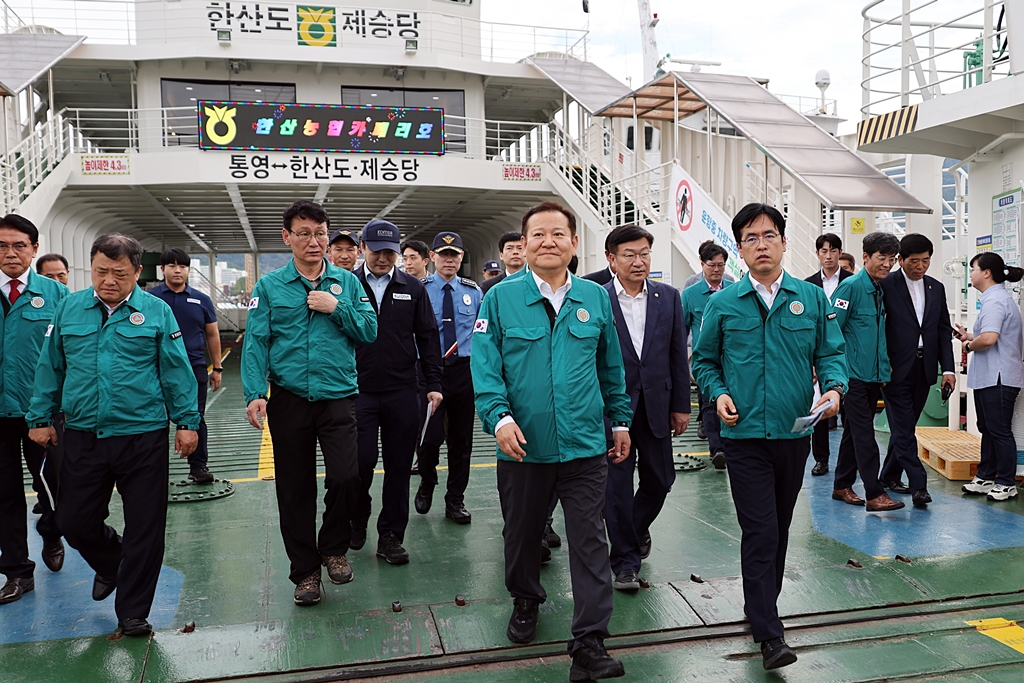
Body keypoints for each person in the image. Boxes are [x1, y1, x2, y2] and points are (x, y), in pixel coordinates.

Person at [472, 200, 631, 681]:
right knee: (521, 535)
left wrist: (620, 421)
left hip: (584, 446)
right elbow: (486, 366)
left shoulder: (596, 298)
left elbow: (611, 366)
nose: (548, 242)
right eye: (537, 235)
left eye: (558, 234)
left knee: (589, 542)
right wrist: (498, 419)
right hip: (524, 447)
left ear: (574, 243)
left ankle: (590, 639)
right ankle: (526, 597)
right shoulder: (500, 298)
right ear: (524, 244)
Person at [692, 203, 846, 671]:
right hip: (743, 437)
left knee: (778, 528)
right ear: (740, 248)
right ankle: (769, 632)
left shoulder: (810, 298)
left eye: (769, 235)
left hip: (794, 432)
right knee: (760, 530)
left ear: (783, 241)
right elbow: (705, 361)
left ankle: (760, 605)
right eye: (751, 238)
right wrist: (716, 394)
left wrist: (836, 388)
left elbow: (831, 352)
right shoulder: (722, 303)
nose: (761, 244)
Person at [26, 233, 199, 636]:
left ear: (137, 272)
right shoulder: (70, 309)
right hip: (84, 433)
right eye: (101, 271)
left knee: (146, 525)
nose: (108, 280)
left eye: (119, 273)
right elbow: (50, 367)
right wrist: (39, 417)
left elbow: (175, 370)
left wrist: (188, 422)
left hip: (143, 435)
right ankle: (111, 563)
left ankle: (133, 613)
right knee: (72, 519)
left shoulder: (156, 312)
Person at [242, 200, 377, 606]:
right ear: (287, 238)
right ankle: (305, 573)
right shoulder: (269, 287)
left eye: (320, 234)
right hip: (290, 399)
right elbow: (257, 343)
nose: (314, 241)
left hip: (338, 396)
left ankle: (333, 548)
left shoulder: (348, 284)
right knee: (294, 489)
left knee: (346, 476)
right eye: (304, 234)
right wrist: (254, 393)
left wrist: (337, 308)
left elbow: (369, 330)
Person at [602, 224, 689, 591]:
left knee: (661, 479)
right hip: (612, 409)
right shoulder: (596, 298)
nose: (639, 262)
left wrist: (681, 405)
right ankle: (625, 562)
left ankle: (634, 530)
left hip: (657, 403)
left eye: (644, 254)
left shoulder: (667, 297)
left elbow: (676, 354)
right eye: (629, 255)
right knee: (616, 488)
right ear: (611, 259)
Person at [351, 219, 443, 565]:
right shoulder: (346, 285)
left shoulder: (412, 288)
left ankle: (390, 535)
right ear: (363, 249)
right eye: (377, 251)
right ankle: (357, 515)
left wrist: (433, 384)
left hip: (403, 389)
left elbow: (428, 337)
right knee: (359, 462)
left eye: (390, 252)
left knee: (399, 466)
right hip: (357, 390)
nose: (383, 258)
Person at [0, 215, 68, 605]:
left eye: (19, 245)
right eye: (3, 246)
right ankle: (17, 571)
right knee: (3, 494)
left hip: (40, 414)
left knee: (53, 486)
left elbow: (68, 355)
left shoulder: (56, 296)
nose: (10, 253)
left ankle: (52, 531)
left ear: (34, 248)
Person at [878, 234, 956, 508]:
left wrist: (948, 369)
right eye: (914, 261)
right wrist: (881, 361)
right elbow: (877, 329)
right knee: (903, 429)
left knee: (905, 426)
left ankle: (888, 475)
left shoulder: (937, 288)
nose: (920, 266)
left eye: (925, 261)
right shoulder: (886, 285)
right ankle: (918, 484)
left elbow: (943, 330)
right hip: (894, 369)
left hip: (925, 368)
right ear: (900, 260)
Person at [831, 231, 904, 512]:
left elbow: (878, 335)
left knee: (853, 432)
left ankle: (841, 485)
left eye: (891, 259)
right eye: (881, 258)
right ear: (865, 257)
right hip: (852, 376)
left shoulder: (880, 289)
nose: (887, 264)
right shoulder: (850, 288)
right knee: (864, 434)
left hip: (873, 375)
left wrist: (884, 367)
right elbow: (831, 330)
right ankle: (875, 493)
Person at [415, 231, 481, 524]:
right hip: (429, 371)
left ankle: (455, 500)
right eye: (443, 255)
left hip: (463, 371)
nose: (449, 260)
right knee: (428, 439)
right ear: (432, 258)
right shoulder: (419, 289)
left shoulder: (473, 291)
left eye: (454, 255)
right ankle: (427, 481)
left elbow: (481, 334)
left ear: (462, 258)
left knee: (461, 440)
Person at [955, 252, 1024, 502]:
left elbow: (990, 339)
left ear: (986, 273)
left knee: (999, 430)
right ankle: (986, 476)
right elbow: (988, 335)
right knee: (987, 428)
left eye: (973, 268)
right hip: (990, 376)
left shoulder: (996, 300)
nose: (970, 273)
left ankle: (1006, 482)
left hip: (1000, 377)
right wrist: (969, 336)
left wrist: (967, 347)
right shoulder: (993, 299)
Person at [150, 249, 223, 484]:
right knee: (155, 419)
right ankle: (153, 469)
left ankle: (198, 466)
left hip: (194, 367)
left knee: (196, 417)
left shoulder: (201, 300)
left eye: (182, 266)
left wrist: (218, 368)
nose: (177, 270)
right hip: (156, 369)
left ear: (188, 270)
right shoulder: (150, 299)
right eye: (171, 266)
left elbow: (212, 334)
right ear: (162, 270)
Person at [682, 240, 735, 468]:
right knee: (708, 402)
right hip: (705, 359)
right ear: (702, 264)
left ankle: (729, 444)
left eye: (721, 265)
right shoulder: (690, 293)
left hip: (732, 358)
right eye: (712, 265)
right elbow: (682, 329)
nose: (717, 270)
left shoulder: (734, 289)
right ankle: (717, 449)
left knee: (731, 400)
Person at [805, 233, 853, 476]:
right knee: (821, 408)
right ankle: (821, 459)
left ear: (840, 252)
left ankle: (848, 464)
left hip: (849, 357)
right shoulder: (808, 285)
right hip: (820, 358)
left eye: (833, 250)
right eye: (824, 251)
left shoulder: (852, 282)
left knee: (851, 414)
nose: (829, 255)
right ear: (817, 254)